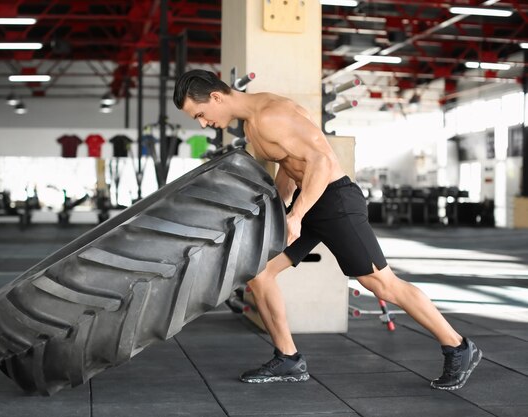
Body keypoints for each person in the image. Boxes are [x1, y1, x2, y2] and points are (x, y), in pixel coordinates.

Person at [173, 69, 482, 391]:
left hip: (334, 201)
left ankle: (458, 346)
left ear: (216, 97)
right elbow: (289, 164)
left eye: (200, 114)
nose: (203, 123)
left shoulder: (270, 115)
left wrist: (296, 217)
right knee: (260, 272)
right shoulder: (254, 122)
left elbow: (320, 161)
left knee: (382, 284)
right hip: (311, 202)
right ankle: (288, 358)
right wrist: (281, 208)